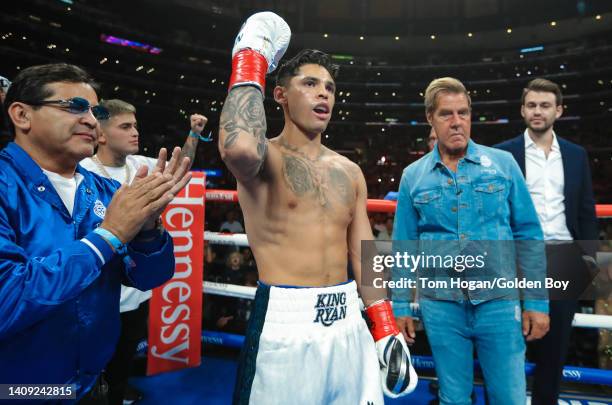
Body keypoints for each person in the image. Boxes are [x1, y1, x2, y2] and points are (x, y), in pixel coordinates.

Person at [218, 12, 416, 404]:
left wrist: (385, 327)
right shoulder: (264, 161)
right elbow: (238, 146)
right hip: (285, 322)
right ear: (280, 95)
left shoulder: (350, 171)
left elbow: (363, 256)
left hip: (348, 320)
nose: (323, 93)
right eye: (309, 84)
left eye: (329, 86)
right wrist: (251, 54)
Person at [0, 63, 191, 403]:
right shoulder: (4, 185)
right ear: (22, 115)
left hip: (92, 385)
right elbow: (7, 300)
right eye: (74, 106)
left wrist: (148, 231)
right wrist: (109, 234)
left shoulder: (105, 190)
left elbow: (149, 278)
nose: (91, 119)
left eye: (95, 110)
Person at [392, 77, 550, 405]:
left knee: (510, 398)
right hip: (441, 306)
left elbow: (529, 234)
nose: (457, 122)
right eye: (447, 114)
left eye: (463, 113)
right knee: (454, 399)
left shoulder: (503, 165)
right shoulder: (413, 175)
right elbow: (404, 246)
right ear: (430, 119)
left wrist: (536, 301)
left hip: (499, 303)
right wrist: (401, 305)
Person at [80, 99, 207, 405]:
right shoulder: (81, 170)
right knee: (88, 374)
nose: (135, 132)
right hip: (98, 295)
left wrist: (194, 133)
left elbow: (180, 167)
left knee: (121, 368)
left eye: (135, 125)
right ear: (101, 134)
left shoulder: (143, 166)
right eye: (125, 126)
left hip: (137, 292)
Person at [494, 78, 599, 405]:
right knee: (508, 347)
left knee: (554, 354)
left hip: (563, 258)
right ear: (523, 109)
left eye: (544, 105)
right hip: (517, 258)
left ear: (559, 110)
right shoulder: (502, 154)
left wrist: (587, 259)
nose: (537, 111)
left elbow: (585, 210)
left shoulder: (575, 154)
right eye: (532, 105)